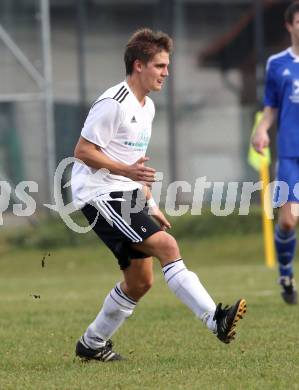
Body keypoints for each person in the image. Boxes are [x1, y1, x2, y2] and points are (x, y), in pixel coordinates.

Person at [71, 28, 247, 362]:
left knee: (139, 282)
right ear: (139, 65)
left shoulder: (147, 108)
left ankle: (92, 344)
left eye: (167, 66)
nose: (167, 73)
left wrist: (150, 203)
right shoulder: (114, 104)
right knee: (168, 247)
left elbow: (135, 163)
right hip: (98, 193)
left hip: (124, 191)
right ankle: (215, 319)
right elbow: (82, 151)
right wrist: (127, 173)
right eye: (160, 66)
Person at [252, 1, 299, 305]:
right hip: (291, 153)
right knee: (288, 221)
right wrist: (261, 129)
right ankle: (285, 273)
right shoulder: (277, 64)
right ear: (290, 25)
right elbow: (271, 108)